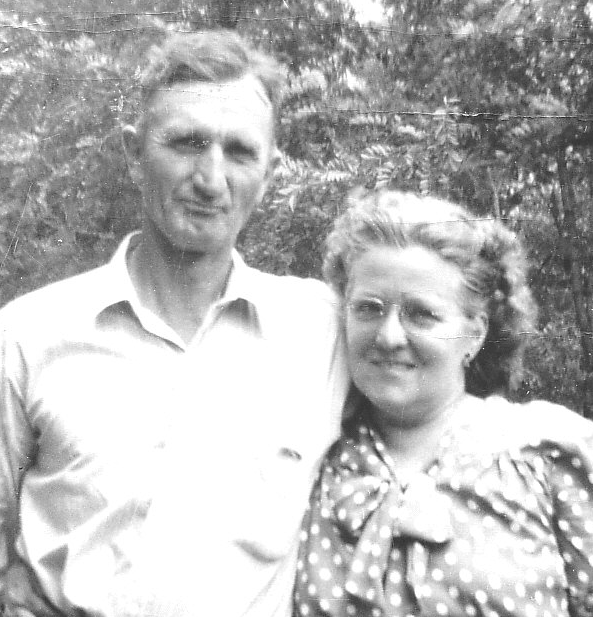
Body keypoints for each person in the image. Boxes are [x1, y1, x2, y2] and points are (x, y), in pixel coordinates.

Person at [0, 30, 348, 617]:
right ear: (133, 153)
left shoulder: (323, 330)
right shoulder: (28, 334)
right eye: (187, 143)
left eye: (240, 152)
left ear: (269, 171)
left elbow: (431, 416)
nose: (211, 179)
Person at [294, 189, 593, 617]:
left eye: (421, 314)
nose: (389, 336)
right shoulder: (310, 461)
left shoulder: (548, 454)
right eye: (369, 309)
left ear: (474, 333)